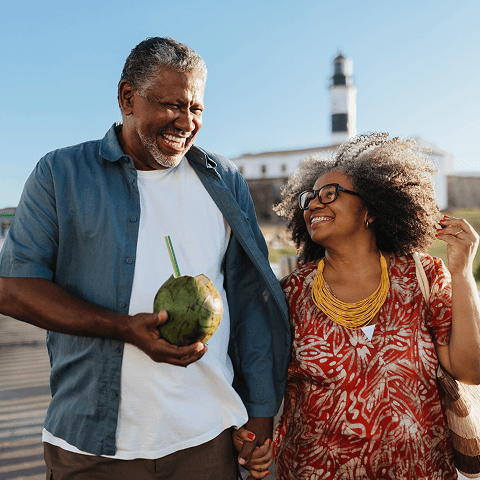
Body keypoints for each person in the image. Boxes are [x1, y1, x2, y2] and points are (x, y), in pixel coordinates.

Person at [0, 37, 290, 480]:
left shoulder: (224, 180)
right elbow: (14, 288)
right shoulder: (60, 174)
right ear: (127, 98)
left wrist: (261, 413)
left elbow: (249, 300)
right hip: (94, 448)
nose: (185, 121)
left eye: (196, 109)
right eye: (172, 104)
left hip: (207, 438)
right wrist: (124, 329)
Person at [272, 132, 480, 479]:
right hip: (314, 470)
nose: (313, 204)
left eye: (330, 194)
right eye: (309, 198)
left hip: (420, 470)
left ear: (369, 209)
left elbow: (470, 370)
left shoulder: (421, 276)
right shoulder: (292, 291)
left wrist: (462, 274)